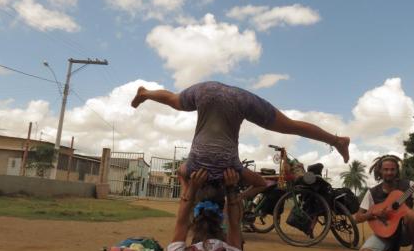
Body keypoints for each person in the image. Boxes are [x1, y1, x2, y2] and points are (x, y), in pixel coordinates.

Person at [131, 81, 350, 194]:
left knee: (289, 126)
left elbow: (262, 183)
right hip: (220, 94)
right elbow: (181, 175)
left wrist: (236, 198)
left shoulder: (231, 169)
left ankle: (337, 141)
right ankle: (145, 93)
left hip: (228, 97)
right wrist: (188, 191)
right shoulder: (195, 168)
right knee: (173, 99)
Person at [167, 168, 245, 251]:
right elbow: (234, 223)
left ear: (195, 214)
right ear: (222, 214)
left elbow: (182, 222)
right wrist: (231, 188)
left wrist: (192, 188)